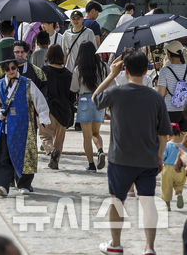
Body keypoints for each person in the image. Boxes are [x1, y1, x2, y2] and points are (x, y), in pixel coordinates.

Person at [92, 51, 171, 255]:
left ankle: (116, 244)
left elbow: (95, 98)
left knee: (117, 200)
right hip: (148, 159)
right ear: (146, 71)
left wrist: (111, 75)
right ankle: (149, 247)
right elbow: (163, 134)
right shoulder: (155, 97)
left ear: (125, 70)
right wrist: (160, 157)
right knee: (148, 202)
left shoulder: (116, 93)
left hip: (120, 159)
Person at [0, 58, 50, 196]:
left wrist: (44, 118)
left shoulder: (28, 84)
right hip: (5, 127)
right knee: (2, 155)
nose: (11, 71)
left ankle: (24, 184)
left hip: (24, 128)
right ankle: (2, 185)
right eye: (7, 69)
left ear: (17, 68)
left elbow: (40, 102)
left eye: (13, 68)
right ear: (3, 70)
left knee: (25, 155)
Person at [71, 41, 110, 171]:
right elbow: (110, 83)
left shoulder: (78, 69)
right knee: (96, 133)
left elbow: (74, 88)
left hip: (84, 100)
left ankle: (91, 165)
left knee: (86, 136)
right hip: (99, 100)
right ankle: (100, 151)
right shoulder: (103, 66)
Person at [38, 45, 74, 170]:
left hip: (48, 109)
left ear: (49, 56)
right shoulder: (68, 74)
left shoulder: (44, 71)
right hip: (64, 110)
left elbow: (39, 90)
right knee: (59, 139)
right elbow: (72, 94)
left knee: (44, 135)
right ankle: (55, 161)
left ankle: (51, 150)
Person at [157, 40, 187, 127]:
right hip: (185, 109)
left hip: (170, 110)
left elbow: (161, 94)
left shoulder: (165, 71)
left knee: (172, 137)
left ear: (169, 55)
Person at [161, 123, 186, 211]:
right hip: (180, 168)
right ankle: (179, 193)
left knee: (166, 187)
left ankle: (168, 206)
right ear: (179, 132)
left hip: (168, 168)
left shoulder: (168, 145)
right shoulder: (183, 145)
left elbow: (163, 157)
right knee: (179, 184)